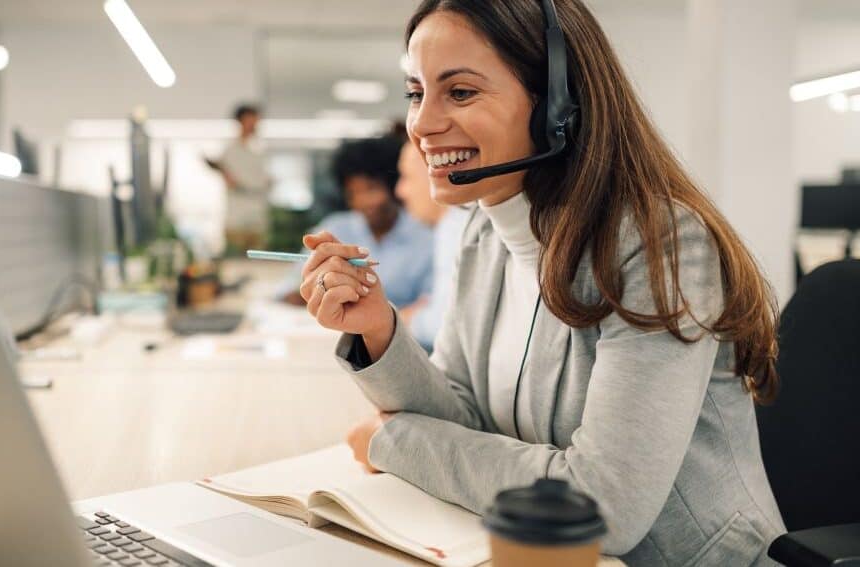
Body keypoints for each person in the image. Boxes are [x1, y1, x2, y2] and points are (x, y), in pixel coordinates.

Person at [295, 1, 785, 565]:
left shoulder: (659, 246)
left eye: (459, 92)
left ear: (557, 105)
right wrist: (379, 331)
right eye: (415, 92)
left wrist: (396, 443)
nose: (422, 124)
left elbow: (601, 508)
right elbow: (467, 417)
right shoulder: (484, 231)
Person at [277, 136, 434, 310]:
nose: (362, 201)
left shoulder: (425, 238)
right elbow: (288, 290)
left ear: (393, 186)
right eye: (353, 193)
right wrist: (318, 285)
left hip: (397, 334)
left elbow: (431, 307)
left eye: (371, 189)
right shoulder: (333, 229)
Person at [394, 142, 468, 351]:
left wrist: (404, 319)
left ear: (436, 173)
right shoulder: (451, 224)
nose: (400, 191)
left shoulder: (458, 225)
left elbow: (444, 325)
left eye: (406, 177)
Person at [217, 103, 272, 252]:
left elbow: (265, 180)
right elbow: (225, 175)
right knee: (236, 258)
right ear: (241, 121)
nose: (255, 124)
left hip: (257, 217)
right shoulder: (230, 150)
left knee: (258, 258)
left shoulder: (259, 150)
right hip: (236, 218)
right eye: (251, 120)